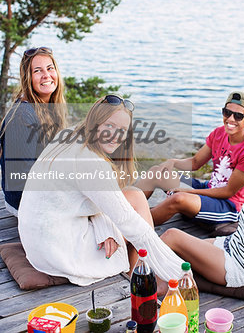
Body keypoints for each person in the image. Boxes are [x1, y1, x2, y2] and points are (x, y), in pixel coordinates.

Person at [18, 95, 184, 287]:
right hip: (57, 251)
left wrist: (105, 227)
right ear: (95, 122)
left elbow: (90, 199)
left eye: (122, 130)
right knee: (136, 203)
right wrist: (178, 271)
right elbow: (132, 225)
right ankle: (142, 279)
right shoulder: (92, 163)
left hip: (35, 238)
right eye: (109, 126)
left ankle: (135, 270)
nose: (115, 136)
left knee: (133, 195)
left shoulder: (69, 135)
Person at [161, 144, 244, 304]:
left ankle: (154, 285)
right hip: (231, 245)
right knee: (175, 253)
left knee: (172, 236)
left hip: (239, 268)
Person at [137, 91, 244, 226]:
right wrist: (173, 162)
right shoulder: (219, 133)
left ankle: (132, 226)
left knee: (179, 198)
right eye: (227, 113)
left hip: (227, 205)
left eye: (238, 116)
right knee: (156, 172)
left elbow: (228, 191)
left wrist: (190, 192)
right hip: (209, 188)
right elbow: (195, 163)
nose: (230, 119)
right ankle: (125, 212)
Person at [0, 47, 66, 215]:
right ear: (28, 78)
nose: (46, 75)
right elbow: (21, 178)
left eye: (50, 68)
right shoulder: (22, 116)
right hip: (25, 203)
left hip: (40, 193)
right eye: (38, 71)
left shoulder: (49, 108)